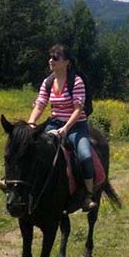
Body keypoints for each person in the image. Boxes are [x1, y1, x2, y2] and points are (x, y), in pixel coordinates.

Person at [27, 44, 97, 212]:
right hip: (54, 123)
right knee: (30, 148)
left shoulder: (76, 81)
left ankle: (88, 195)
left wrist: (66, 128)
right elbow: (40, 104)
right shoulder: (48, 82)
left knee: (85, 156)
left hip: (76, 126)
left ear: (66, 62)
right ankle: (25, 188)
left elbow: (78, 109)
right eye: (50, 57)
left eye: (56, 58)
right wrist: (31, 123)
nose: (51, 60)